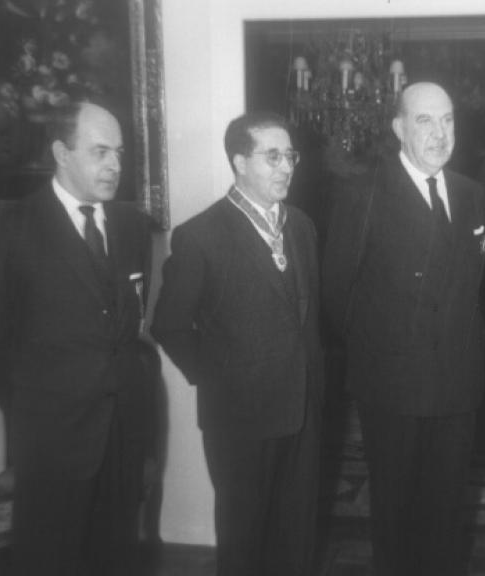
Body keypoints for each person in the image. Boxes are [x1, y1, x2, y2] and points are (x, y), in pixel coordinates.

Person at [0, 100, 155, 576]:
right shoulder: (9, 227)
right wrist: (31, 405)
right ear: (61, 153)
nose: (115, 164)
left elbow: (126, 323)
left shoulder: (132, 225)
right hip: (51, 439)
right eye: (100, 151)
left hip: (123, 432)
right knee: (52, 560)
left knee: (117, 556)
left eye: (119, 153)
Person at [323, 82, 485, 576]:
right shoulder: (363, 193)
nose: (439, 133)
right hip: (392, 388)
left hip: (457, 386)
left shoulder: (472, 194)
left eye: (447, 120)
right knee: (394, 516)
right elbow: (337, 293)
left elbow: (476, 289)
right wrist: (385, 353)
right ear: (398, 128)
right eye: (424, 120)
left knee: (445, 516)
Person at [151, 112, 324, 576]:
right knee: (245, 543)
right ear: (239, 162)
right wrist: (221, 377)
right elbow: (168, 325)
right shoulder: (201, 236)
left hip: (303, 412)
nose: (286, 166)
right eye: (273, 156)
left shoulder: (302, 227)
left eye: (290, 155)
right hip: (240, 418)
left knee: (297, 536)